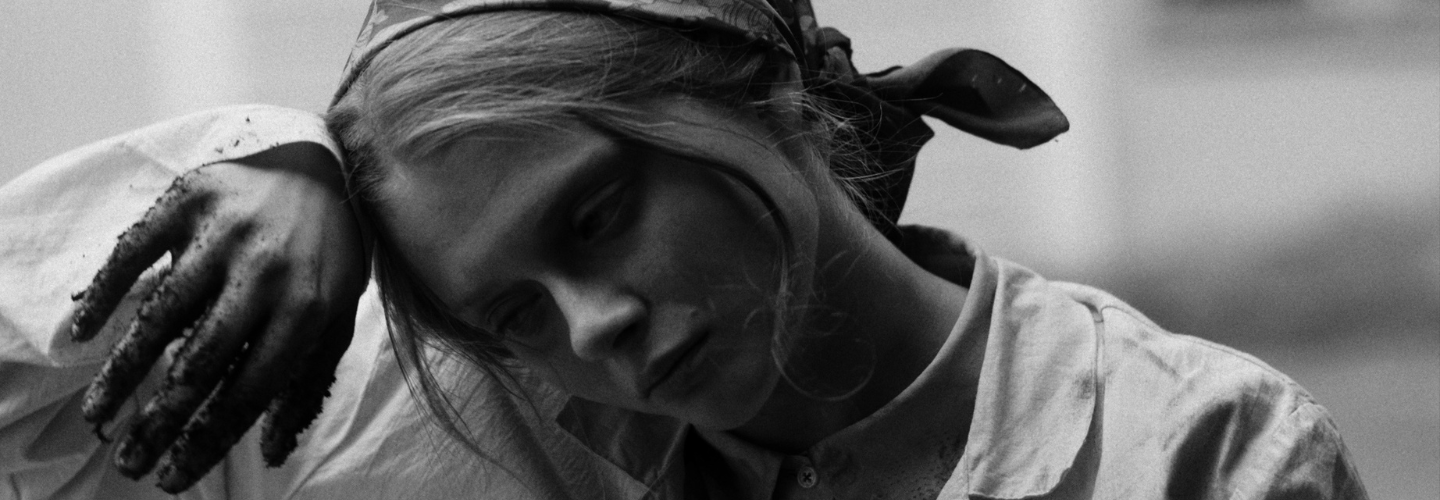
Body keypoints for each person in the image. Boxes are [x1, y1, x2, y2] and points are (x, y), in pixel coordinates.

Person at [0, 1, 1368, 499]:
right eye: (513, 310)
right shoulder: (502, 411)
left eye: (593, 216)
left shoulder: (1195, 449)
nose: (589, 328)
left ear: (766, 92)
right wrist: (260, 150)